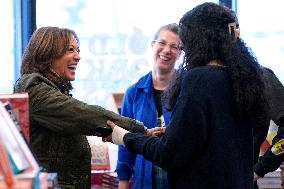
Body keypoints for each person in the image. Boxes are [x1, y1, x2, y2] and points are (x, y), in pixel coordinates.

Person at [105, 2, 271, 189]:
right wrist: (179, 133)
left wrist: (123, 136)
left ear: (199, 39)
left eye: (183, 42)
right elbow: (220, 139)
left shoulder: (198, 79)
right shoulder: (246, 79)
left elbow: (168, 154)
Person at [13, 26, 146, 189]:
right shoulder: (33, 89)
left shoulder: (50, 90)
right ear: (47, 54)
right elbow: (84, 115)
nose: (78, 57)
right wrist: (139, 129)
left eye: (78, 50)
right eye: (70, 50)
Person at [116, 23, 181, 189]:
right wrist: (123, 182)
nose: (167, 50)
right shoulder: (134, 93)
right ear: (153, 45)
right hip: (144, 182)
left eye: (174, 46)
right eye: (162, 43)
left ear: (180, 53)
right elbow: (125, 141)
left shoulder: (187, 90)